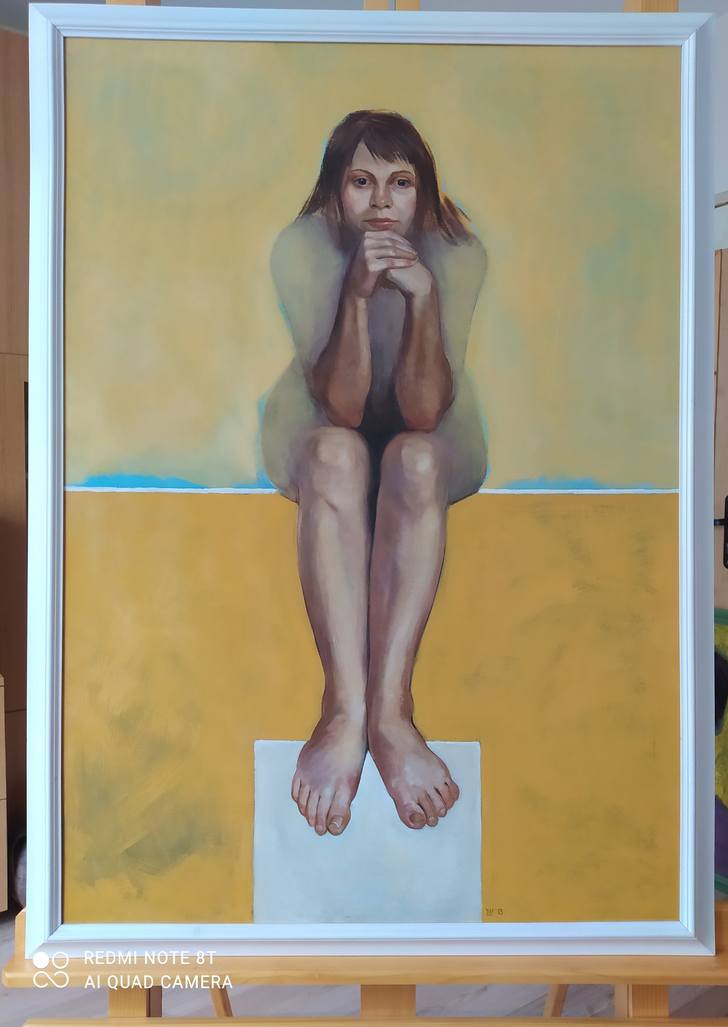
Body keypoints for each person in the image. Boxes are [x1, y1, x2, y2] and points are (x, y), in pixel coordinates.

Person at [261, 110, 487, 838]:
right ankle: (344, 709)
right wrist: (357, 296)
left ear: (425, 192)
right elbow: (343, 407)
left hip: (434, 429)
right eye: (362, 182)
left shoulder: (456, 252)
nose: (383, 202)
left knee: (412, 460)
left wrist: (424, 299)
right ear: (336, 191)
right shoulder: (303, 247)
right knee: (339, 454)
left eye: (401, 183)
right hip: (318, 423)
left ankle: (391, 714)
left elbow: (422, 412)